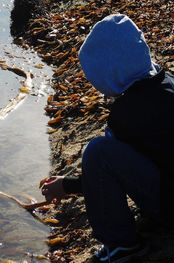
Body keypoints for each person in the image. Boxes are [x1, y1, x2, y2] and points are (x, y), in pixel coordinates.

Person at [40, 13, 174, 263]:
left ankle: (122, 245)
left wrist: (66, 185)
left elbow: (104, 176)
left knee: (99, 152)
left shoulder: (126, 115)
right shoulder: (167, 82)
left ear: (109, 74)